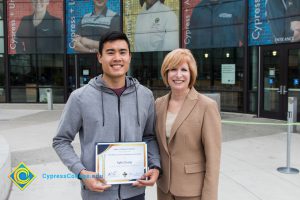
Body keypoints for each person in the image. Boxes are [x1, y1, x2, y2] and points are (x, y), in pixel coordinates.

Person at [53, 31, 161, 200]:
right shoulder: (80, 97)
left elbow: (149, 136)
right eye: (110, 52)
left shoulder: (145, 95)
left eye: (122, 52)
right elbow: (60, 141)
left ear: (129, 57)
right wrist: (82, 173)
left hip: (135, 191)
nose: (117, 58)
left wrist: (155, 165)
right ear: (99, 57)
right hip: (97, 192)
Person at [155, 48, 221, 200]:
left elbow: (213, 158)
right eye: (173, 69)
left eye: (183, 70)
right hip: (164, 189)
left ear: (191, 74)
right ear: (166, 73)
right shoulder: (158, 104)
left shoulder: (206, 106)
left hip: (192, 191)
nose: (178, 75)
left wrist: (209, 196)